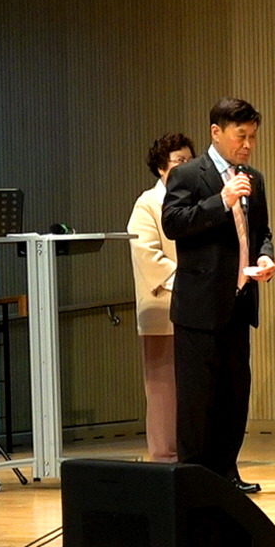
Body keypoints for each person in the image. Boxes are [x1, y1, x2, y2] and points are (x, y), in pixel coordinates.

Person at [162, 98, 275, 494]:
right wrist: (221, 201)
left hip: (239, 301)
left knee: (234, 395)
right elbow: (174, 223)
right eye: (240, 136)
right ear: (216, 132)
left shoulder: (254, 178)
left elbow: (262, 231)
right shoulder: (188, 174)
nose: (248, 144)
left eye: (253, 137)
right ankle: (193, 479)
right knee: (197, 399)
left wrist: (265, 256)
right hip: (199, 307)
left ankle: (226, 474)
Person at [126, 133, 195, 463]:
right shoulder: (148, 203)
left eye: (190, 161)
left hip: (196, 307)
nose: (187, 167)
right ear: (160, 167)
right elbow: (146, 253)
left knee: (193, 389)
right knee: (163, 389)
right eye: (179, 161)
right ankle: (165, 459)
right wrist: (192, 281)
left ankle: (192, 457)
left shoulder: (195, 202)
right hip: (162, 307)